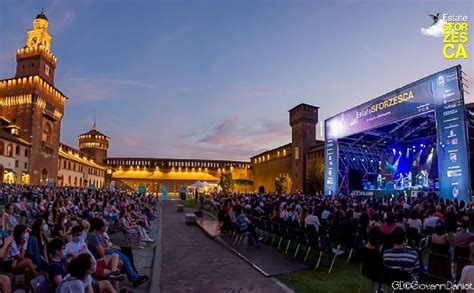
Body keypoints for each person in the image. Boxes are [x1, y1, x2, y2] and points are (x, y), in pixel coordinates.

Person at [3, 224, 37, 289]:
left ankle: (29, 287)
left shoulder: (24, 240)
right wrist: (22, 245)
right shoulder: (12, 241)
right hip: (7, 263)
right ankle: (37, 278)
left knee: (27, 269)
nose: (26, 234)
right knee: (28, 261)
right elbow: (20, 257)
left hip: (15, 261)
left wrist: (23, 244)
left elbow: (22, 257)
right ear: (19, 233)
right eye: (24, 232)